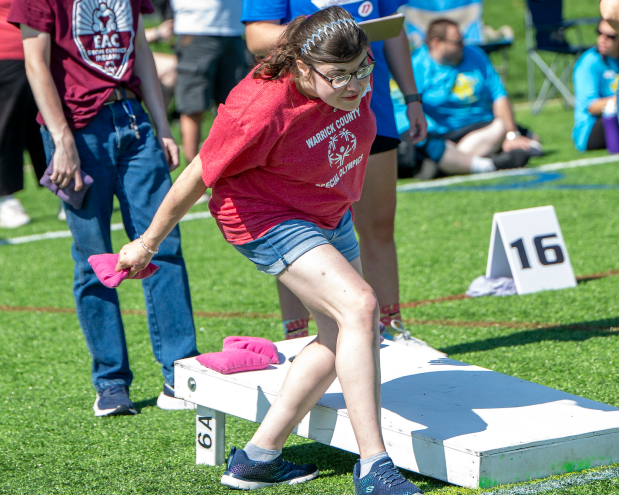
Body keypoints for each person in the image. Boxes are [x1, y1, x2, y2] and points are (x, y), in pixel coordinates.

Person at [116, 7, 423, 494]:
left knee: (338, 334)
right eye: (339, 76)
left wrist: (374, 79)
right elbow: (199, 173)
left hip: (325, 208)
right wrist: (147, 242)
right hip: (264, 215)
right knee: (361, 307)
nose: (356, 85)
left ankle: (258, 456)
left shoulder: (351, 74)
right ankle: (375, 465)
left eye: (363, 69)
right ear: (303, 67)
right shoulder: (258, 107)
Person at [9, 0, 199, 417]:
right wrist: (62, 141)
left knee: (161, 246)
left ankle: (181, 374)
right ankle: (111, 383)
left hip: (134, 120)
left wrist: (161, 123)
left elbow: (141, 51)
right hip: (77, 130)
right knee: (93, 258)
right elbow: (35, 64)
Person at [242, 0, 428, 344]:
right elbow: (255, 36)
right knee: (297, 232)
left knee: (379, 223)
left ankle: (391, 327)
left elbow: (393, 30)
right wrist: (327, 35)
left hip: (371, 107)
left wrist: (412, 97)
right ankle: (296, 335)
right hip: (300, 118)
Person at [395, 19, 541, 179]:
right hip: (441, 133)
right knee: (429, 145)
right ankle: (486, 164)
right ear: (437, 44)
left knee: (524, 137)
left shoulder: (475, 54)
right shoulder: (417, 65)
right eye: (457, 42)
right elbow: (404, 106)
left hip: (481, 127)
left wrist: (512, 135)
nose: (463, 45)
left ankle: (452, 163)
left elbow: (499, 96)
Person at [172, 0, 248, 165]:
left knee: (238, 109)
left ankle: (230, 173)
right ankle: (193, 181)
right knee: (194, 106)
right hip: (196, 27)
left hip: (235, 28)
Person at [0, 0, 46, 229]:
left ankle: (68, 192)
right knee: (6, 128)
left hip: (43, 50)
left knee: (48, 122)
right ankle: (4, 197)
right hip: (6, 52)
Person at [572, 20, 619, 152]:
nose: (603, 39)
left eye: (610, 36)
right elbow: (592, 107)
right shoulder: (589, 62)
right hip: (589, 129)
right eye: (600, 33)